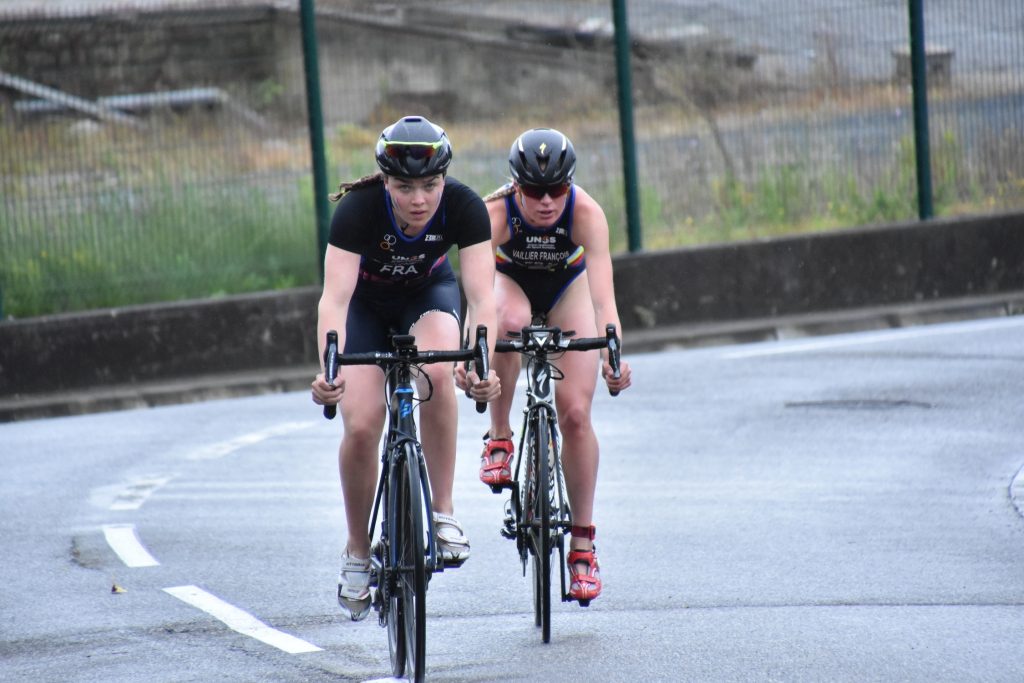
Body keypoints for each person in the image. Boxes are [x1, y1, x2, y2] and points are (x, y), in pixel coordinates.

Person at [310, 115, 500, 621]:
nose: (419, 199)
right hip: (365, 311)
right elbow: (335, 298)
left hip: (427, 296)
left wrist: (479, 362)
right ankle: (356, 550)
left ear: (445, 178)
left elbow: (483, 298)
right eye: (404, 186)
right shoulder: (358, 210)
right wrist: (330, 368)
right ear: (385, 181)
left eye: (430, 185)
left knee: (439, 374)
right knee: (364, 422)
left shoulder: (464, 207)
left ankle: (442, 513)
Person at [470, 127, 632, 603]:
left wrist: (613, 355)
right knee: (508, 319)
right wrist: (470, 357)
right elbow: (477, 297)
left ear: (571, 185)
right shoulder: (494, 213)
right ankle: (500, 435)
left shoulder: (586, 213)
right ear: (514, 185)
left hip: (568, 291)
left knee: (577, 416)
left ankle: (582, 546)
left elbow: (605, 301)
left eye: (556, 190)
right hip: (512, 287)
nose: (545, 202)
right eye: (534, 191)